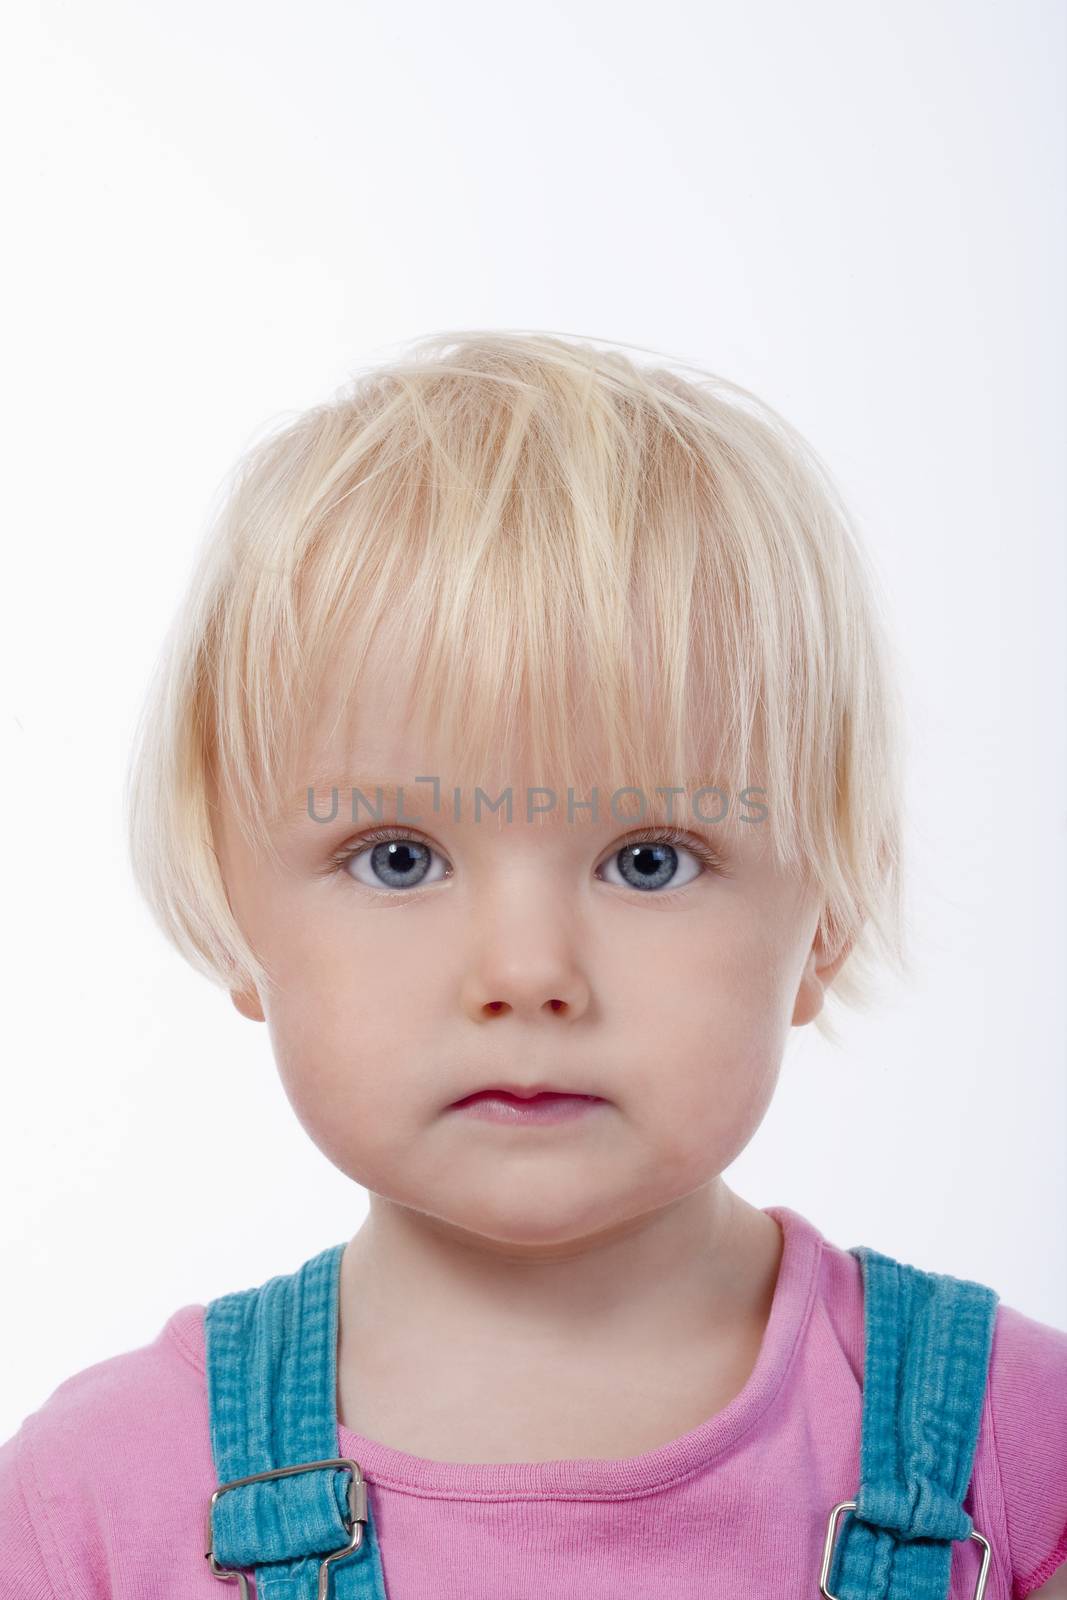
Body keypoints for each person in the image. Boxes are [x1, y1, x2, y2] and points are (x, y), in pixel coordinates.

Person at [2, 331, 1064, 1598]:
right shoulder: (89, 1512)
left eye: (649, 859)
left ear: (823, 915)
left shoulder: (1016, 1459)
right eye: (397, 857)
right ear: (239, 920)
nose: (525, 972)